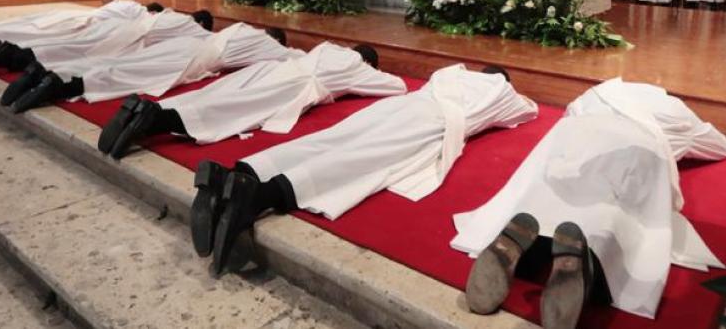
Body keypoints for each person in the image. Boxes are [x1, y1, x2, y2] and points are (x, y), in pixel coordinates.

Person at [191, 64, 538, 277]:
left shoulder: (448, 74)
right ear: (503, 80)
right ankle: (259, 197)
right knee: (358, 161)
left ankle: (237, 174)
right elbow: (529, 111)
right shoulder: (501, 91)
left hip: (400, 105)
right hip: (428, 122)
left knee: (330, 140)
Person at [452, 78, 726, 324]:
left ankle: (519, 249)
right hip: (636, 144)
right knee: (614, 215)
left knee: (546, 197)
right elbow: (719, 147)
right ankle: (583, 266)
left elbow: (570, 113)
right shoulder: (673, 108)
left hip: (573, 137)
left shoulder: (599, 92)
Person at [100, 41, 407, 159]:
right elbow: (398, 87)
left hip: (274, 71)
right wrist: (370, 73)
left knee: (216, 95)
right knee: (227, 114)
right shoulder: (356, 67)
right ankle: (155, 120)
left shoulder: (326, 48)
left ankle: (147, 109)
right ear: (367, 62)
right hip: (289, 87)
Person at [7, 21, 294, 115]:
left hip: (186, 46)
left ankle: (49, 74)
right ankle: (64, 85)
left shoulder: (236, 28)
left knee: (124, 62)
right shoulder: (266, 44)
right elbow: (291, 56)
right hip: (193, 60)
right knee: (130, 75)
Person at [0, 0, 173, 67]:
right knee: (24, 35)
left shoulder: (122, 4)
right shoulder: (138, 13)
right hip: (81, 28)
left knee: (17, 27)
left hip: (71, 19)